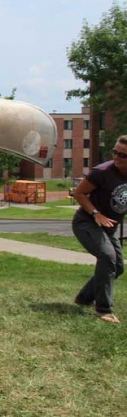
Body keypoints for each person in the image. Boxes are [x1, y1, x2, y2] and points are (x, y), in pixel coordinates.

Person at [71, 135, 127, 324]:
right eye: (115, 152)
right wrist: (96, 213)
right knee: (107, 257)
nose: (117, 157)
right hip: (86, 222)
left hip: (109, 228)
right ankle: (103, 310)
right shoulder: (101, 172)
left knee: (117, 267)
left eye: (123, 155)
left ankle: (84, 298)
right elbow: (79, 193)